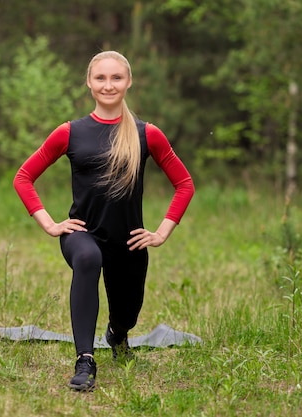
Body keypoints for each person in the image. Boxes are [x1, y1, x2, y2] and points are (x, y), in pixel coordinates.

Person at [13, 50, 195, 391]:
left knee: (127, 312)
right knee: (88, 258)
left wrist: (161, 233)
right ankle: (85, 360)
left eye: (116, 78)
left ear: (128, 82)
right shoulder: (70, 132)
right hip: (83, 234)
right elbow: (24, 177)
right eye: (100, 78)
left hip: (128, 241)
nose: (108, 85)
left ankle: (117, 335)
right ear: (89, 83)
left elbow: (184, 184)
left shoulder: (147, 134)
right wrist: (50, 225)